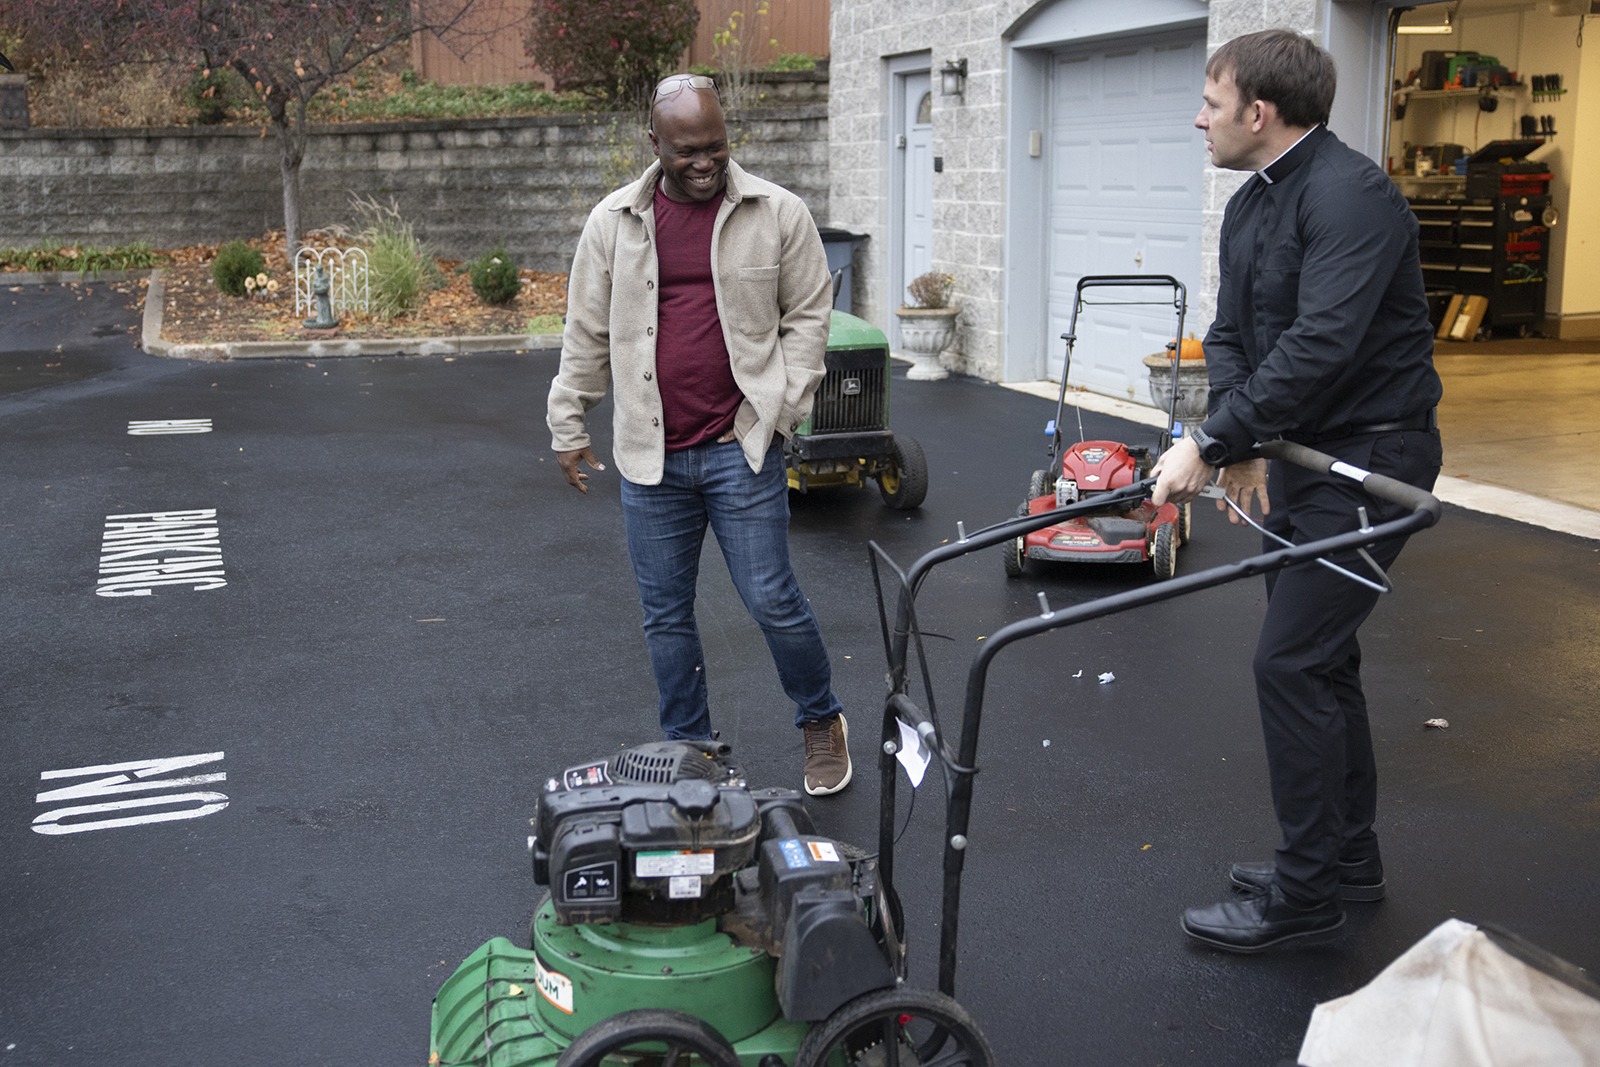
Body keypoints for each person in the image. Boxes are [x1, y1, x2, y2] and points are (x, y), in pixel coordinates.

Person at [1152, 29, 1443, 952]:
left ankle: (1306, 896)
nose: (1200, 116)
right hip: (1303, 458)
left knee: (1291, 663)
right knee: (1322, 661)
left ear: (1258, 112)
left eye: (1211, 99)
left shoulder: (1352, 197)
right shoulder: (1251, 203)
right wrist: (1241, 432)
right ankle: (1346, 861)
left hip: (1372, 463)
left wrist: (1211, 438)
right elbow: (1229, 329)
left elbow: (1322, 345)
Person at [546, 73, 853, 796]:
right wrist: (568, 419)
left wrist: (781, 411)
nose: (705, 162)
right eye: (687, 150)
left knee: (772, 597)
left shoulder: (777, 213)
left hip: (738, 447)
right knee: (666, 615)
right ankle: (694, 752)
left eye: (716, 146)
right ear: (654, 143)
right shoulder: (612, 223)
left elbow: (809, 315)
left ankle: (820, 720)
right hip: (651, 457)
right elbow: (585, 331)